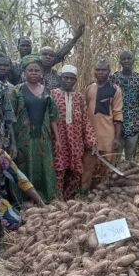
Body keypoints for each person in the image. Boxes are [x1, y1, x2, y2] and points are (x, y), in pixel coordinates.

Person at [11, 54, 59, 202]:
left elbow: (53, 116)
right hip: (23, 139)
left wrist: (57, 139)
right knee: (23, 167)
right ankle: (23, 200)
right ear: (24, 72)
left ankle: (45, 198)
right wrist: (12, 142)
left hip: (43, 138)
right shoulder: (17, 91)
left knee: (44, 166)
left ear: (42, 72)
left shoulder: (47, 91)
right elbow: (11, 119)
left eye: (36, 70)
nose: (33, 73)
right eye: (30, 70)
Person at [51, 65, 97, 199]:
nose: (69, 81)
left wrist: (91, 141)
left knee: (75, 171)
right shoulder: (52, 94)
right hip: (58, 140)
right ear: (61, 77)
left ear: (75, 80)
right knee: (58, 170)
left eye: (72, 79)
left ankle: (69, 200)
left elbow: (85, 120)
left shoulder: (79, 97)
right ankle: (57, 200)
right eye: (66, 78)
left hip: (76, 141)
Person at [82, 60, 123, 187]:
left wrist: (117, 138)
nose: (100, 72)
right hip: (90, 136)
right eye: (98, 70)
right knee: (87, 166)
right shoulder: (89, 88)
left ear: (109, 72)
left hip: (107, 135)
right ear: (94, 71)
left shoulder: (115, 90)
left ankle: (102, 193)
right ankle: (84, 192)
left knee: (106, 167)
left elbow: (118, 114)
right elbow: (85, 112)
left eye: (103, 70)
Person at [8, 26, 85, 85]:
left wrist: (75, 38)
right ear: (18, 47)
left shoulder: (39, 59)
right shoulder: (14, 64)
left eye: (28, 46)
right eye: (23, 45)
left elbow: (59, 54)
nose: (25, 48)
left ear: (31, 47)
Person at [111, 50, 139, 161]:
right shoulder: (114, 78)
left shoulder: (138, 78)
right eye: (123, 58)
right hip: (116, 125)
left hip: (133, 125)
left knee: (130, 160)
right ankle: (113, 178)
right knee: (114, 158)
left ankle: (129, 178)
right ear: (120, 61)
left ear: (133, 60)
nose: (126, 61)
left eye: (129, 58)